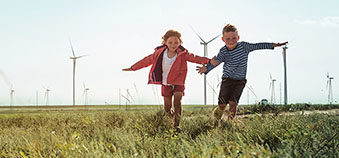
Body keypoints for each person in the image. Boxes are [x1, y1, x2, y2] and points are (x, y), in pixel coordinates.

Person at [196, 24, 288, 123]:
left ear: (238, 38)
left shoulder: (244, 46)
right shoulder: (223, 51)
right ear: (223, 39)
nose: (231, 41)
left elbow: (258, 46)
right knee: (222, 104)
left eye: (234, 38)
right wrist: (206, 68)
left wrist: (274, 45)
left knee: (233, 103)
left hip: (240, 81)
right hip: (226, 80)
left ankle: (230, 123)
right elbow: (215, 62)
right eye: (228, 39)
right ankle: (215, 120)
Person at [123, 29, 212, 131]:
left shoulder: (183, 54)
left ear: (180, 43)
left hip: (178, 82)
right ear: (165, 42)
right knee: (167, 108)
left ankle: (177, 126)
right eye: (170, 42)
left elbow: (195, 58)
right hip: (166, 83)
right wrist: (133, 67)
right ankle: (170, 121)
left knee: (177, 102)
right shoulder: (159, 53)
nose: (173, 45)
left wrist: (209, 61)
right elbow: (146, 60)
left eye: (176, 42)